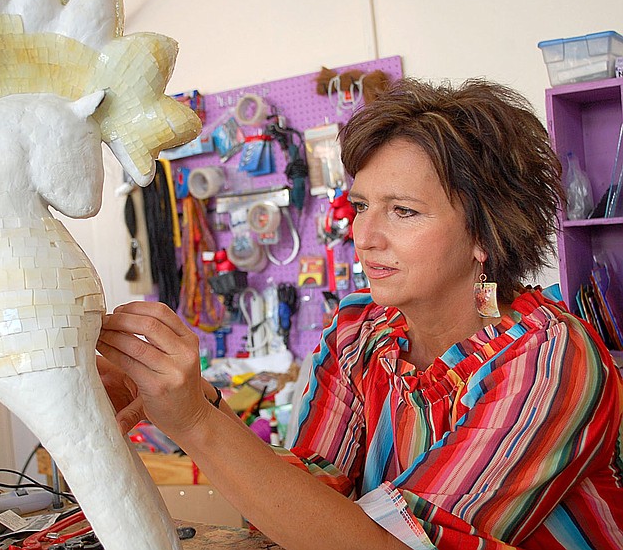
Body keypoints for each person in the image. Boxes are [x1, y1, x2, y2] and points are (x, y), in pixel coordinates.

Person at [96, 78, 623, 550]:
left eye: (403, 211)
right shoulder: (363, 332)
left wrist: (193, 421)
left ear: (484, 234)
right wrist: (194, 402)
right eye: (362, 206)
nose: (365, 237)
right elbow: (309, 495)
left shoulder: (547, 359)